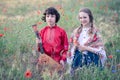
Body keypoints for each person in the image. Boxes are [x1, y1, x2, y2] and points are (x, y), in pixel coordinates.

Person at [67, 8, 107, 73]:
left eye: (85, 17)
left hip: (92, 57)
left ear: (90, 17)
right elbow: (72, 46)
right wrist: (76, 47)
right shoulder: (76, 31)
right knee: (77, 73)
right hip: (78, 57)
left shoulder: (95, 31)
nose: (82, 20)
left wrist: (85, 48)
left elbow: (100, 49)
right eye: (80, 18)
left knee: (92, 73)